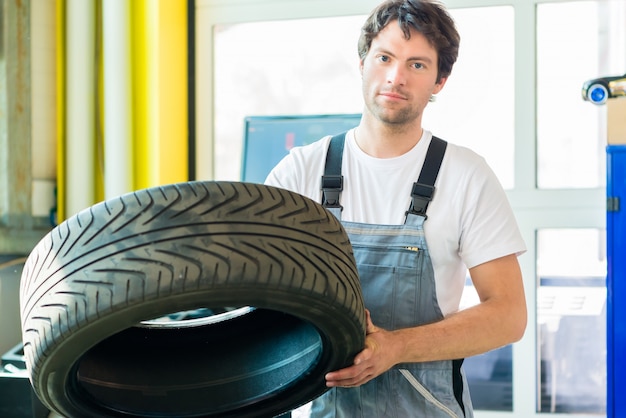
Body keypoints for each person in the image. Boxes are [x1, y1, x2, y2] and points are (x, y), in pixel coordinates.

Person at [265, 0, 527, 416]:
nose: (395, 77)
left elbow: (509, 315)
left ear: (440, 80)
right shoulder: (301, 171)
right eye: (384, 57)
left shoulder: (466, 175)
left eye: (417, 65)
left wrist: (396, 347)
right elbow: (256, 289)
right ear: (363, 61)